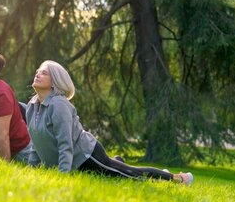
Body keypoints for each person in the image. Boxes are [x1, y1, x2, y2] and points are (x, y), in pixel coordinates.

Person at [26, 60, 194, 185]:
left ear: (55, 81)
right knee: (115, 171)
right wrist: (30, 171)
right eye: (37, 71)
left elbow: (65, 145)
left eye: (44, 73)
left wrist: (62, 178)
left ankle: (178, 178)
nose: (37, 74)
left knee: (131, 175)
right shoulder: (33, 105)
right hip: (76, 161)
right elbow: (36, 144)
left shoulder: (59, 104)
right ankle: (117, 162)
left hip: (87, 155)